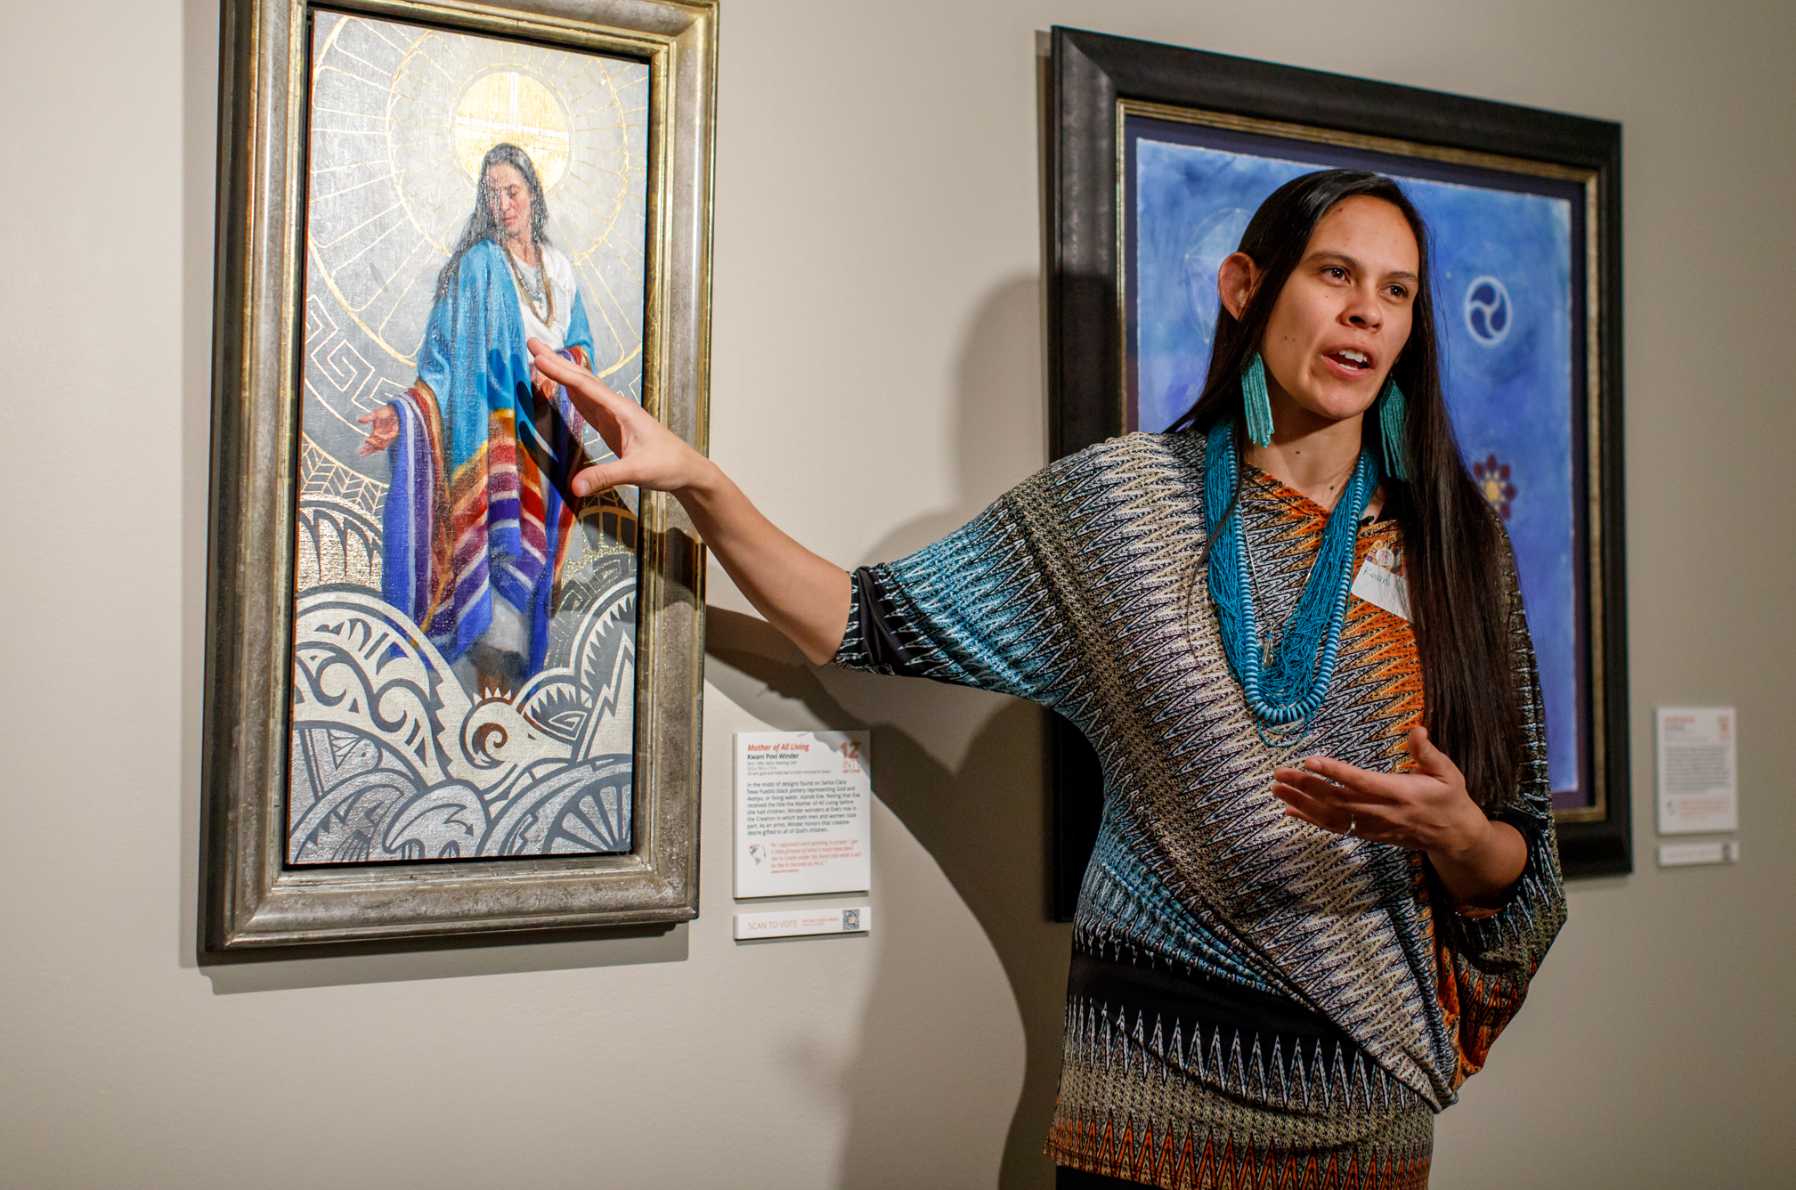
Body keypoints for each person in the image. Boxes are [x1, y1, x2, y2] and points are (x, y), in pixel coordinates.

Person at [530, 169, 1564, 1188]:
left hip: (1361, 1118)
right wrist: (702, 485)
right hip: (1141, 1111)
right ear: (1245, 287)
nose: (1366, 311)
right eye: (1335, 273)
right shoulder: (1123, 509)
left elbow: (1519, 859)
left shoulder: (1456, 549)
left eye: (1396, 290)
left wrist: (1460, 837)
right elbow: (858, 621)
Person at [359, 142, 599, 694]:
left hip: (547, 446)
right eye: (492, 194)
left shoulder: (559, 270)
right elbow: (444, 362)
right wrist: (406, 413)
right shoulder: (478, 266)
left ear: (533, 194)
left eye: (512, 191)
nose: (503, 204)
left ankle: (511, 716)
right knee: (499, 590)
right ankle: (490, 712)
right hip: (494, 453)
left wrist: (560, 368)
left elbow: (583, 349)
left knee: (530, 585)